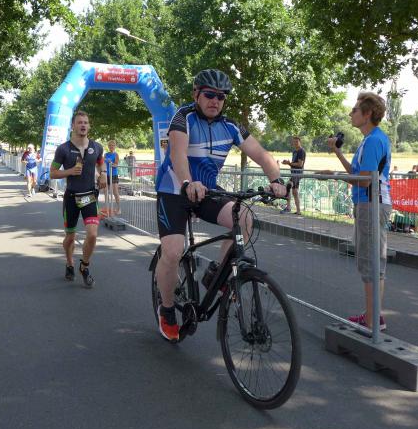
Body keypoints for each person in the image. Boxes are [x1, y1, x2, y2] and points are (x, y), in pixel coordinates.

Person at [153, 69, 287, 342]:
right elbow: (178, 155)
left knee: (244, 216)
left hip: (207, 191)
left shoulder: (230, 126)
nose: (215, 101)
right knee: (173, 251)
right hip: (175, 190)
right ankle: (166, 310)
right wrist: (188, 182)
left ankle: (217, 271)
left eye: (221, 97)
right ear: (196, 95)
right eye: (209, 95)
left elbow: (262, 154)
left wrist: (277, 180)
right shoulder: (183, 117)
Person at [327, 91, 392, 332]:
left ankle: (372, 322)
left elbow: (364, 181)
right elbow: (357, 172)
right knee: (370, 262)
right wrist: (338, 153)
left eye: (354, 110)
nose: (350, 113)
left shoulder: (374, 140)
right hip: (368, 203)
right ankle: (373, 316)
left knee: (371, 264)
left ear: (367, 114)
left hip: (371, 204)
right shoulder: (369, 139)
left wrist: (334, 175)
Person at [49, 111, 107, 286]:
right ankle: (69, 263)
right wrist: (69, 171)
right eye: (80, 122)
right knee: (70, 238)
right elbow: (53, 172)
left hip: (89, 196)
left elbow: (100, 162)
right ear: (73, 126)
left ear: (89, 126)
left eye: (86, 122)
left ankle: (84, 266)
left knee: (92, 235)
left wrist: (103, 174)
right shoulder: (63, 149)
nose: (83, 125)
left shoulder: (97, 147)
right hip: (71, 198)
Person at [281, 136, 306, 215]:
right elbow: (293, 164)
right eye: (294, 142)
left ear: (300, 142)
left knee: (288, 186)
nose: (295, 143)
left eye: (297, 142)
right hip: (293, 173)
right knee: (295, 192)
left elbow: (300, 164)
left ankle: (288, 208)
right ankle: (298, 211)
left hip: (297, 174)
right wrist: (288, 163)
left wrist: (289, 163)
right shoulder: (294, 151)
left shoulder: (301, 151)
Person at [104, 140, 120, 214]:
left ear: (115, 146)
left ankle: (118, 208)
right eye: (110, 145)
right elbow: (103, 164)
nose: (111, 147)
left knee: (115, 192)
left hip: (113, 174)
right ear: (108, 146)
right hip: (106, 174)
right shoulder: (105, 154)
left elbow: (116, 164)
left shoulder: (116, 154)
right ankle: (107, 209)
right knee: (106, 191)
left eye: (113, 145)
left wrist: (111, 163)